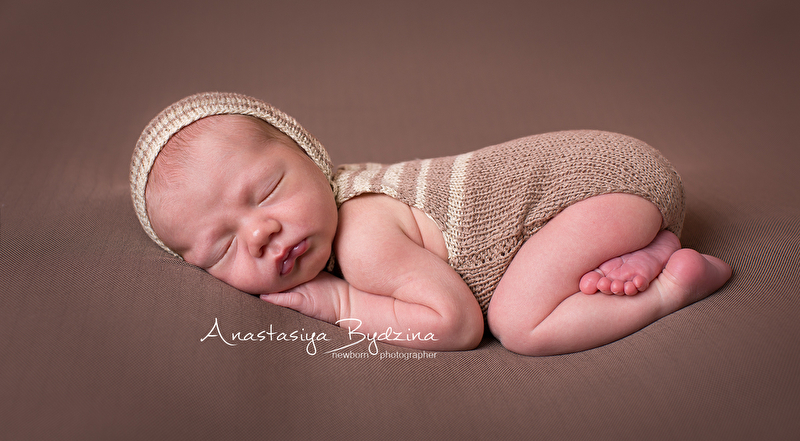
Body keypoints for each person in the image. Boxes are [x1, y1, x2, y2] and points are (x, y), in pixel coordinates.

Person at [131, 92, 731, 356]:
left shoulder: (363, 235)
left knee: (519, 324)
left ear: (312, 157)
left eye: (267, 191)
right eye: (222, 248)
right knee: (534, 282)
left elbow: (457, 324)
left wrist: (339, 303)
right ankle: (645, 245)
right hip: (611, 193)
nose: (259, 234)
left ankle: (671, 286)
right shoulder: (346, 211)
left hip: (603, 185)